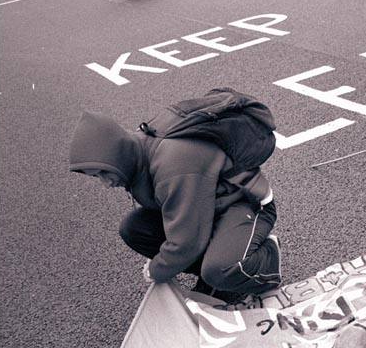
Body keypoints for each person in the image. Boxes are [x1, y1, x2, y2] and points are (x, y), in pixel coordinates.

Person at [68, 110, 282, 301]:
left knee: (221, 269)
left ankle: (266, 261)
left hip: (246, 202)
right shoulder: (137, 152)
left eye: (104, 172)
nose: (105, 183)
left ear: (117, 154)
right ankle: (214, 273)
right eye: (97, 177)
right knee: (134, 228)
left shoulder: (173, 166)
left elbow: (187, 242)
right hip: (211, 206)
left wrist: (156, 269)